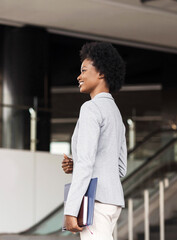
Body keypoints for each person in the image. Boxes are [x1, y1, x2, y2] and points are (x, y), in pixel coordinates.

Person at [62, 42, 127, 240]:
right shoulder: (116, 114)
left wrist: (71, 210)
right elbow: (120, 168)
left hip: (95, 202)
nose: (79, 76)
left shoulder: (90, 109)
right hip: (112, 202)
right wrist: (77, 164)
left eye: (84, 70)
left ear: (101, 73)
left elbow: (88, 162)